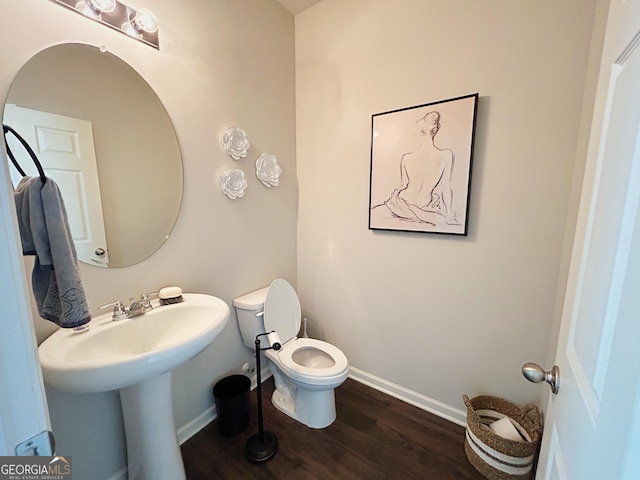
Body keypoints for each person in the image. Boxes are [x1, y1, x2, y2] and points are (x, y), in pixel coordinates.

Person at [375, 110, 459, 226]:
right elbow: (446, 188)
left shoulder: (407, 158)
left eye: (415, 133)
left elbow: (403, 184)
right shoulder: (446, 155)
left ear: (422, 133)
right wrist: (449, 215)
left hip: (402, 202)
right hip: (421, 203)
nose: (414, 136)